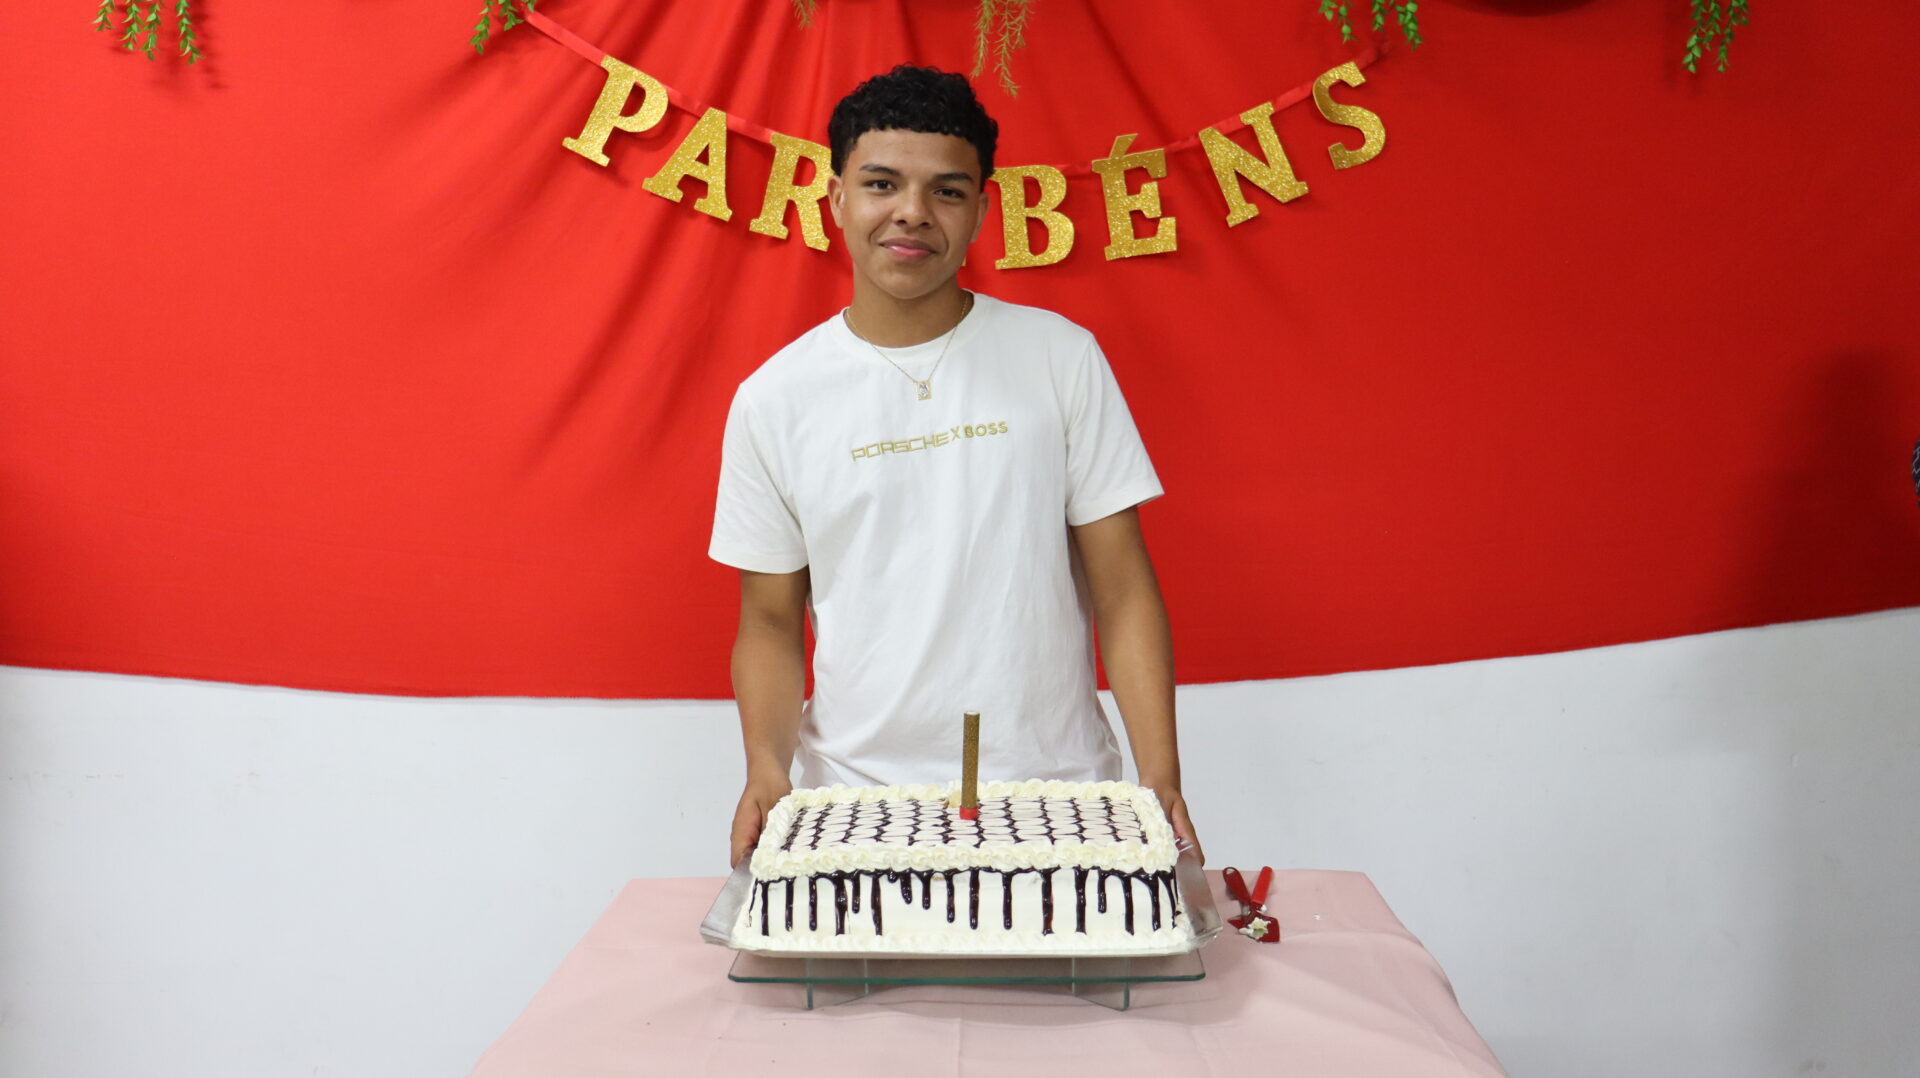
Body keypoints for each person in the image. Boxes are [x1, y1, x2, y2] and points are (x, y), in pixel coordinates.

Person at [710, 64, 1201, 867]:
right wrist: (766, 768)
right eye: (881, 184)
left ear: (980, 211)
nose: (912, 212)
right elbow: (768, 620)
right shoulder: (774, 399)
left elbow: (1122, 587)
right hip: (856, 807)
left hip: (1059, 798)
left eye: (946, 191)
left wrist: (1160, 776)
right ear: (835, 200)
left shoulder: (1060, 358)